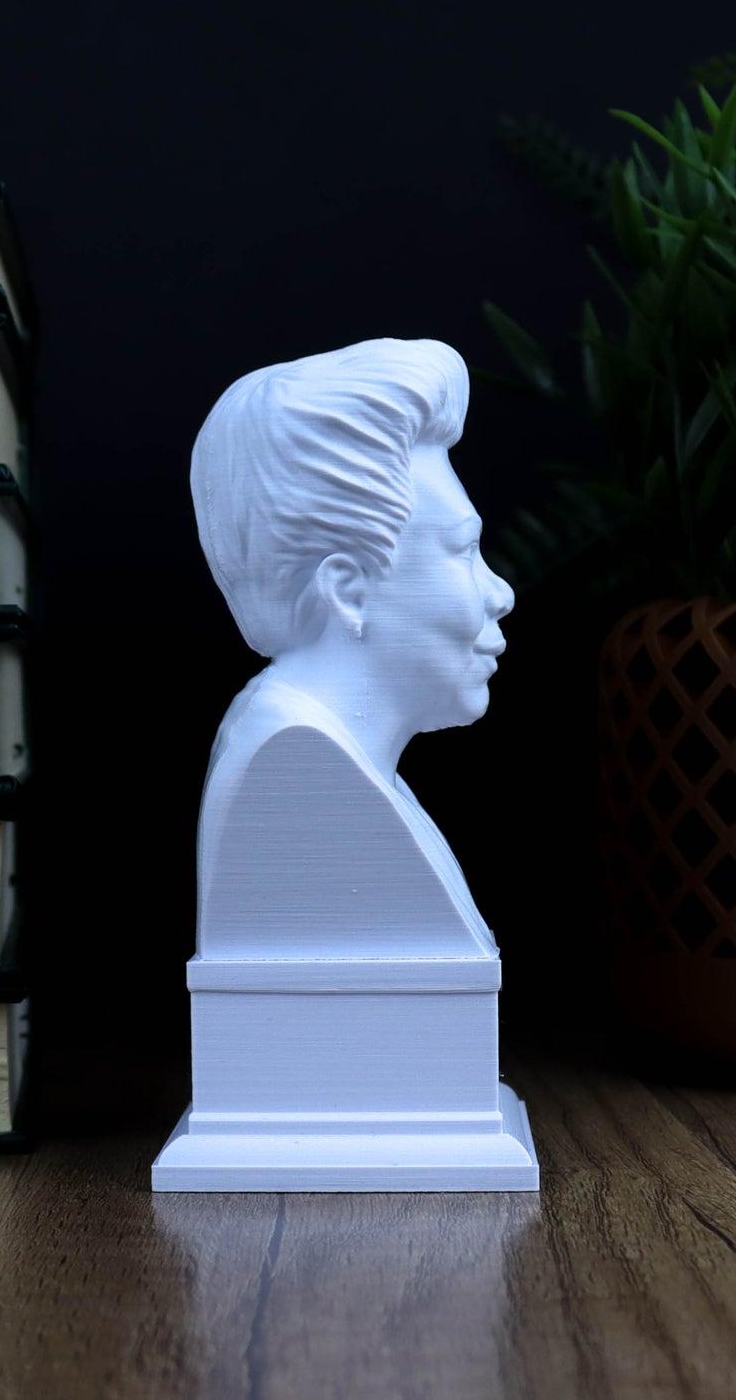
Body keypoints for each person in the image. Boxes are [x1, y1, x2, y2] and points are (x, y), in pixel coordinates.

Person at [188, 337, 514, 961]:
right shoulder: (299, 770)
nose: (501, 592)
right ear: (347, 589)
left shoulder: (325, 756)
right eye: (463, 552)